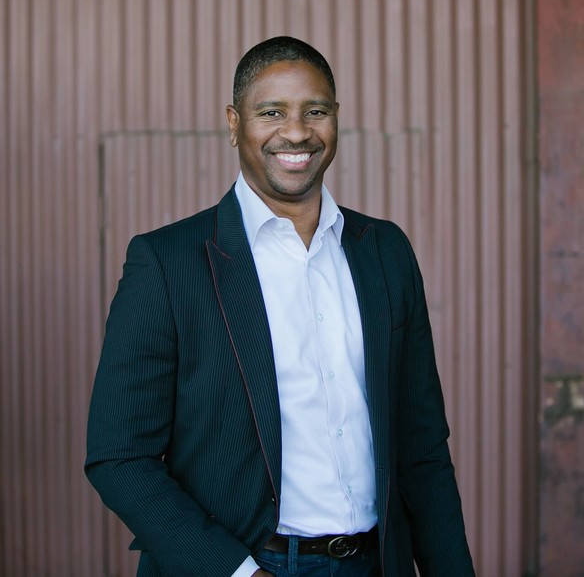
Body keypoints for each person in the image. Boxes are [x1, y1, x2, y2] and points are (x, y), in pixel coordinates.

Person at [85, 36, 475, 577]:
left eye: (315, 111)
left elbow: (422, 446)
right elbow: (119, 456)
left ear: (336, 118)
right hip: (247, 565)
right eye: (272, 112)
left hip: (374, 562)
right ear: (233, 123)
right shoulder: (168, 263)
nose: (296, 132)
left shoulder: (384, 251)